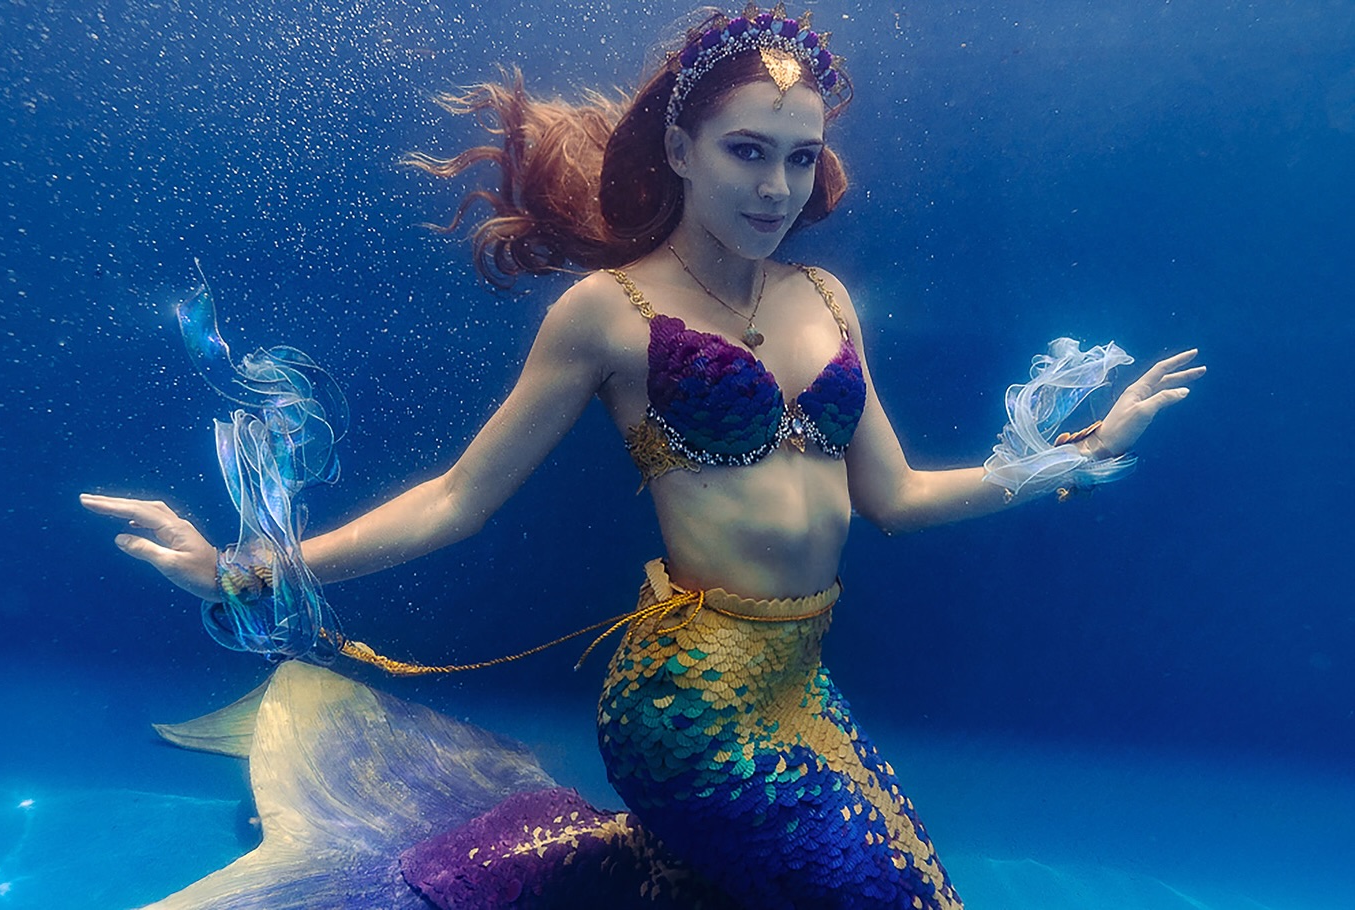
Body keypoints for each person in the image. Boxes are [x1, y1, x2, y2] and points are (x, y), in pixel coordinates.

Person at [80, 6, 1204, 909]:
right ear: (679, 148)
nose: (775, 189)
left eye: (799, 158)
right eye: (746, 152)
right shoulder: (606, 313)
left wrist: (1077, 453)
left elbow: (898, 498)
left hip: (799, 685)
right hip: (691, 707)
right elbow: (456, 499)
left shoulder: (824, 296)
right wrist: (248, 569)